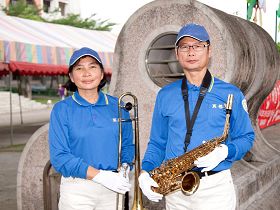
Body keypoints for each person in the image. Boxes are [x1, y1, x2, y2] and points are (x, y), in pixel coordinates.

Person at [138, 23, 255, 210]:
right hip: (175, 190)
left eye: (198, 45)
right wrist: (145, 172)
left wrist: (225, 152)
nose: (191, 52)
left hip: (215, 189)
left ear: (209, 51)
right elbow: (157, 142)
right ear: (177, 54)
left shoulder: (231, 93)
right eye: (184, 46)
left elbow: (247, 137)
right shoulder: (165, 95)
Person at [49, 47, 134, 210]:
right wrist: (100, 176)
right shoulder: (61, 110)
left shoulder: (119, 106)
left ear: (102, 74)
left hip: (113, 187)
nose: (86, 73)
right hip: (77, 189)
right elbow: (60, 157)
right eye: (79, 68)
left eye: (92, 67)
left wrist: (125, 167)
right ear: (71, 77)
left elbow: (128, 146)